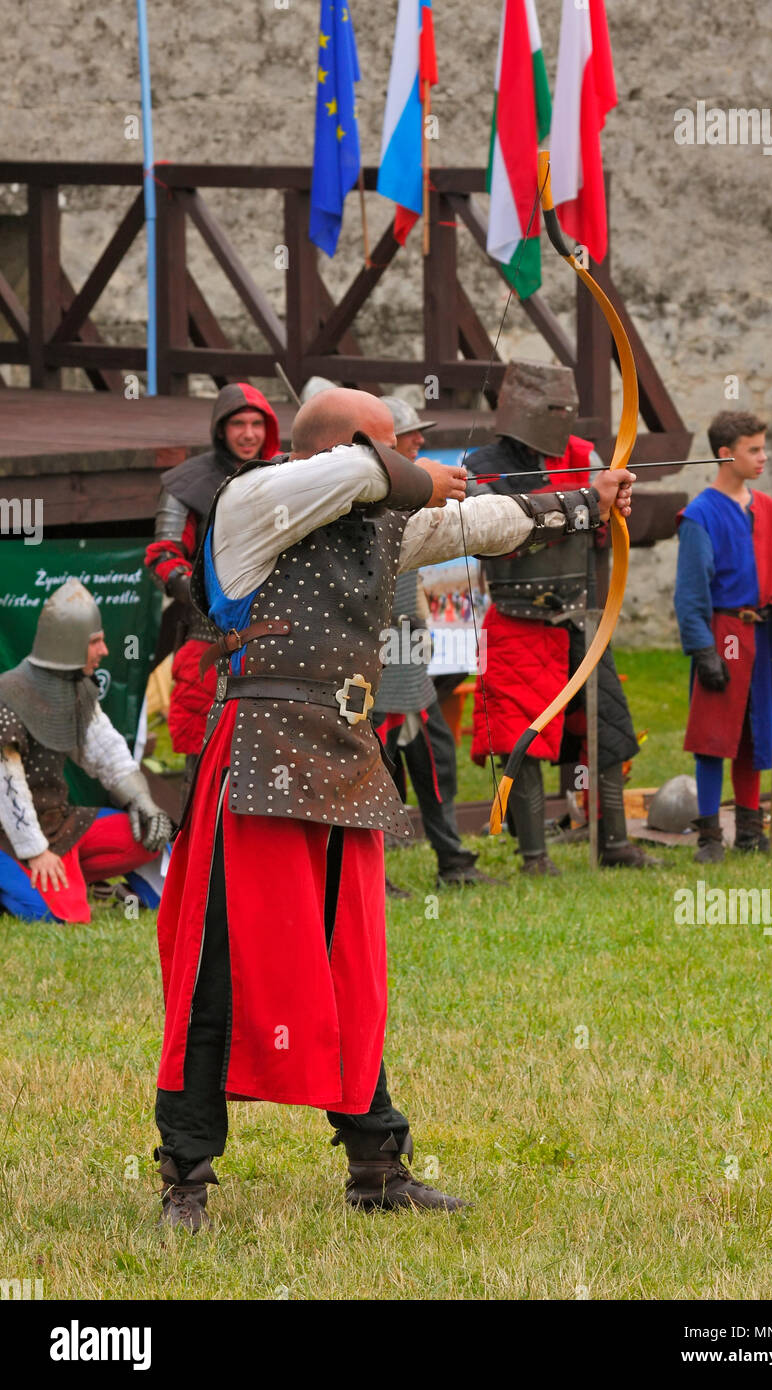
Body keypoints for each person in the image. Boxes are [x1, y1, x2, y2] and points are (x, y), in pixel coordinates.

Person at [152, 386, 633, 1230]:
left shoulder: (374, 522)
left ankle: (376, 1164)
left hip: (341, 754)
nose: (410, 459)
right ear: (345, 450)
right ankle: (184, 1176)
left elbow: (482, 525)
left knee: (351, 969)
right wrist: (411, 471)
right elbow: (366, 476)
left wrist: (584, 504)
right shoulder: (250, 500)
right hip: (259, 750)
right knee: (220, 967)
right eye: (392, 446)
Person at [467, 359, 650, 873]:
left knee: (608, 729)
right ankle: (534, 857)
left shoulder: (582, 456)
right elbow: (492, 531)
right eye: (551, 408)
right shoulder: (485, 464)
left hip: (583, 617)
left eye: (567, 408)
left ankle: (613, 843)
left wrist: (612, 498)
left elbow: (605, 529)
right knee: (520, 737)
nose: (561, 418)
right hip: (517, 621)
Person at [374, 396, 497, 890]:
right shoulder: (367, 496)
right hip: (372, 657)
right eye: (411, 435)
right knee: (372, 771)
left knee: (435, 758)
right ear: (388, 444)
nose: (421, 440)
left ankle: (452, 859)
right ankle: (372, 873)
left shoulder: (408, 495)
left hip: (407, 653)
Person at [0, 580, 173, 924]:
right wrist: (35, 852)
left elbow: (107, 752)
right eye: (95, 642)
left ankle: (74, 876)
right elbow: (6, 785)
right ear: (67, 644)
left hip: (57, 822)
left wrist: (143, 801)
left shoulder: (78, 693)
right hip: (6, 836)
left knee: (147, 836)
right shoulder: (8, 695)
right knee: (51, 916)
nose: (105, 650)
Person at [674, 411, 772, 861]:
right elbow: (690, 592)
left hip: (764, 634)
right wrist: (703, 649)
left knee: (756, 734)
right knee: (714, 736)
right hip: (723, 632)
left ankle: (750, 830)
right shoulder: (700, 515)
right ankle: (710, 837)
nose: (763, 457)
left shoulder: (766, 508)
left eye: (763, 447)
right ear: (726, 455)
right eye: (754, 449)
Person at [144, 384, 281, 793]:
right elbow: (163, 555)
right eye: (238, 423)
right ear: (221, 429)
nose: (248, 434)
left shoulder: (284, 475)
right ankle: (204, 856)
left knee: (269, 763)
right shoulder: (188, 483)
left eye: (257, 423)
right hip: (209, 646)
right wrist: (206, 593)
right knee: (203, 773)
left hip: (273, 640)